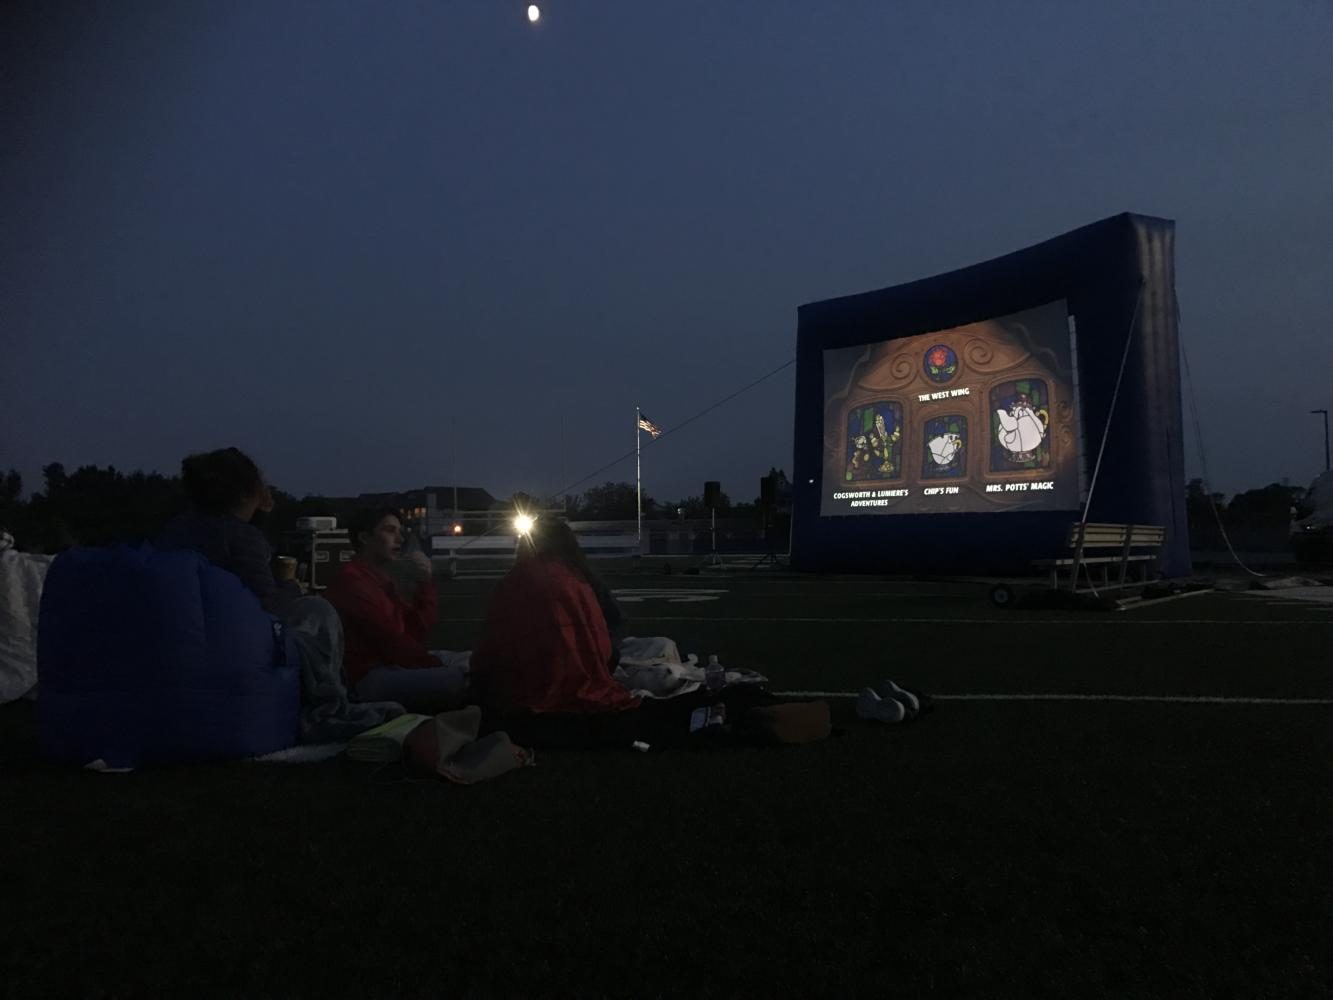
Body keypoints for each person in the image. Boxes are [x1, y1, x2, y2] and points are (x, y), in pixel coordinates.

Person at [470, 517, 828, 750]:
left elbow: (490, 656)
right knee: (658, 661)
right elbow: (604, 648)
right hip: (587, 687)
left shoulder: (519, 583)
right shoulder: (577, 581)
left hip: (540, 694)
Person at [324, 507, 467, 714]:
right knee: (462, 680)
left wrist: (425, 584)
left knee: (472, 662)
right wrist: (438, 666)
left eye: (400, 531)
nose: (399, 539)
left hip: (387, 665)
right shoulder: (352, 583)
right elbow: (393, 644)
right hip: (366, 677)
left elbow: (415, 631)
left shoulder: (379, 581)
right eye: (390, 530)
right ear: (364, 537)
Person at [156, 447, 301, 617]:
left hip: (179, 626)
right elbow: (269, 608)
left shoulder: (175, 528)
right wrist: (291, 587)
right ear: (244, 494)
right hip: (225, 633)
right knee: (318, 609)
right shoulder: (241, 537)